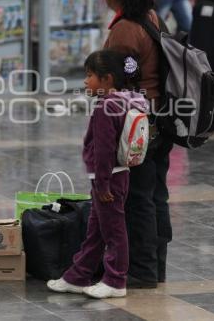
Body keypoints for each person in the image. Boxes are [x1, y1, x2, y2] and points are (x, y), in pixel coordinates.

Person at [47, 49, 149, 299]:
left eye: (90, 75)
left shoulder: (106, 107)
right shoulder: (128, 99)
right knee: (96, 230)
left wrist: (102, 185)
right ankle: (78, 275)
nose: (85, 81)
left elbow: (104, 150)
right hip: (117, 174)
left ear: (108, 79)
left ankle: (115, 280)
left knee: (114, 231)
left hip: (108, 179)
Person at [103, 0, 173, 288]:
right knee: (157, 194)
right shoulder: (151, 17)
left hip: (138, 125)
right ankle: (156, 266)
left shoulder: (124, 30)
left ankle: (142, 270)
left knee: (138, 197)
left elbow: (119, 82)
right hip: (161, 117)